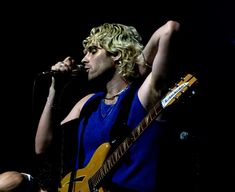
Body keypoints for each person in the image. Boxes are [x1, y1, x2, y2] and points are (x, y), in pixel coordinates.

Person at [35, 20, 180, 191]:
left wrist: (141, 60)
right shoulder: (88, 103)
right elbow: (42, 146)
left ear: (117, 54)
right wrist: (55, 90)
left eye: (93, 51)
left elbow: (170, 29)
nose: (84, 59)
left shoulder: (143, 95)